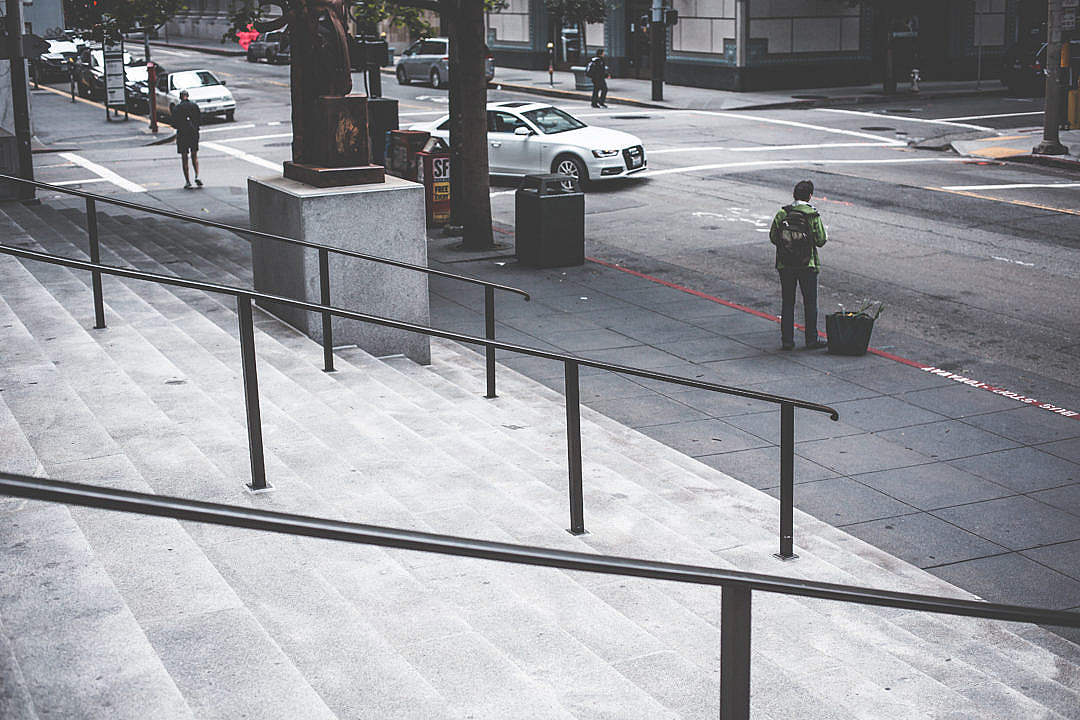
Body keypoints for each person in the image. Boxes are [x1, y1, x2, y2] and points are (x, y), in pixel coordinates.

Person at [769, 180, 828, 350]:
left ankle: (787, 341)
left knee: (787, 302)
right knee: (810, 303)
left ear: (794, 195)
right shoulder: (812, 215)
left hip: (785, 265)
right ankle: (811, 339)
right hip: (807, 265)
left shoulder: (783, 213)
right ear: (810, 196)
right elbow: (821, 240)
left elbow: (773, 237)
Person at [172, 89, 202, 189]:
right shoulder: (194, 106)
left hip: (182, 134)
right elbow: (199, 119)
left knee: (184, 158)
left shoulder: (177, 108)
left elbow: (174, 124)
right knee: (194, 155)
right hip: (193, 133)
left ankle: (188, 181)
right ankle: (197, 175)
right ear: (188, 96)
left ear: (180, 97)